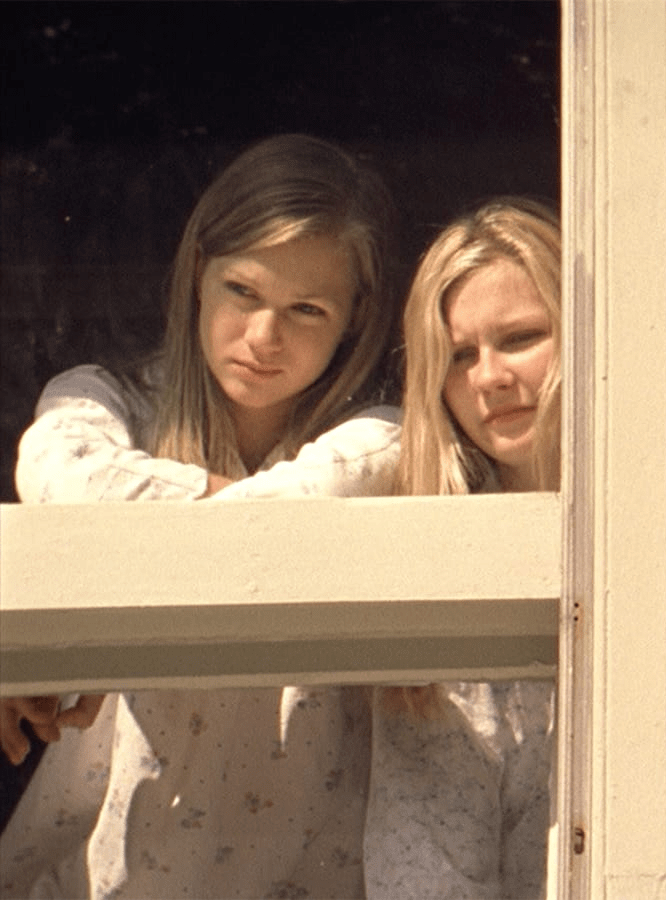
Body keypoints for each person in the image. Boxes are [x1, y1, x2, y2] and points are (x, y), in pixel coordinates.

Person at [0, 134, 401, 898]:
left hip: (298, 871)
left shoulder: (382, 437)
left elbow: (316, 503)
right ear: (197, 277)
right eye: (242, 290)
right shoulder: (102, 398)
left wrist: (133, 545)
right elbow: (60, 475)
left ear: (355, 320)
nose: (263, 337)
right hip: (105, 868)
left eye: (307, 309)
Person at [362, 197, 561, 898]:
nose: (489, 377)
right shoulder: (438, 559)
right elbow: (424, 868)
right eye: (458, 356)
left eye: (521, 337)